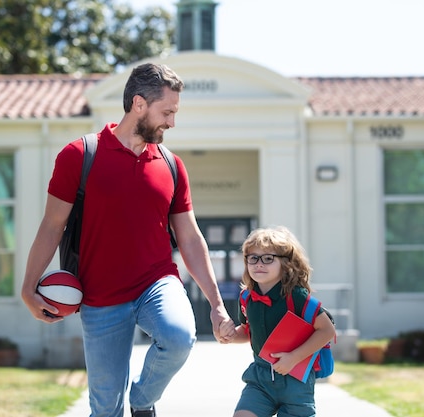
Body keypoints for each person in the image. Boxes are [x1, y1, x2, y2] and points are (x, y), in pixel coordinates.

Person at [21, 62, 234, 417]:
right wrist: (28, 288)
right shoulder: (79, 156)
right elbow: (51, 225)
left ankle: (142, 399)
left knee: (179, 337)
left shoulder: (171, 165)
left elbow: (191, 238)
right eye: (167, 112)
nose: (172, 122)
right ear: (138, 104)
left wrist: (215, 303)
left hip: (156, 283)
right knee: (106, 410)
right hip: (100, 297)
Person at [220, 226, 336, 417]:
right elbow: (248, 331)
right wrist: (230, 335)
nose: (258, 264)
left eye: (268, 258)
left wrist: (294, 358)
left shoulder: (297, 297)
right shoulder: (247, 298)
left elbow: (326, 330)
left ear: (287, 264)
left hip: (296, 380)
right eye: (253, 258)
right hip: (260, 377)